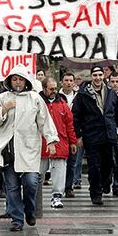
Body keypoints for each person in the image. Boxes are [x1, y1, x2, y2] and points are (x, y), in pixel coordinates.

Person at [0, 64, 58, 231]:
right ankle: (17, 219)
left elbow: (44, 120)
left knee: (31, 182)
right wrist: (5, 108)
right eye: (14, 79)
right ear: (10, 81)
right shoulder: (1, 98)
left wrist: (51, 140)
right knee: (11, 187)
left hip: (29, 148)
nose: (17, 82)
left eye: (20, 79)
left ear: (26, 81)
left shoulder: (35, 98)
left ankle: (29, 210)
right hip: (8, 150)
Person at [72, 65, 118, 205]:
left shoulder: (111, 93)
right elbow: (76, 116)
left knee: (108, 164)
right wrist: (78, 135)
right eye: (95, 75)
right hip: (92, 135)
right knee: (94, 166)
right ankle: (96, 192)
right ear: (91, 77)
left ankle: (106, 182)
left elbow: (117, 112)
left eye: (100, 75)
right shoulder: (83, 95)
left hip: (108, 134)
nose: (98, 78)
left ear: (103, 76)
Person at [39, 77, 77, 208]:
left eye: (55, 88)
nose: (54, 91)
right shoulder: (37, 103)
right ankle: (34, 196)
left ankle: (57, 196)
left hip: (60, 143)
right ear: (44, 88)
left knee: (59, 173)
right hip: (41, 144)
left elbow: (69, 125)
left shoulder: (62, 104)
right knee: (38, 173)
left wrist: (73, 142)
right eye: (51, 89)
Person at [59, 71, 82, 197]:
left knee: (72, 163)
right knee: (59, 163)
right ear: (61, 82)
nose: (68, 83)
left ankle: (69, 187)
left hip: (74, 134)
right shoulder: (56, 96)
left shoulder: (79, 97)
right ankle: (59, 187)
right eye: (66, 80)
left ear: (74, 82)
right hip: (60, 135)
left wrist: (80, 135)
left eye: (70, 81)